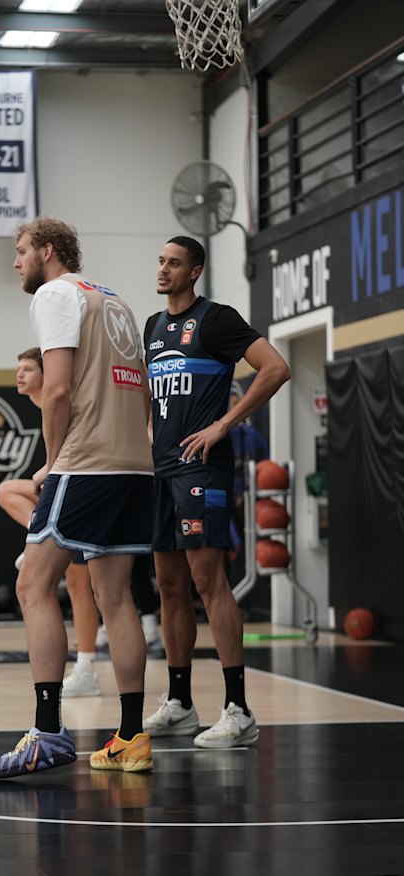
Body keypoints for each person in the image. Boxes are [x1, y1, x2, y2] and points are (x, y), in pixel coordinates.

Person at [0, 216, 154, 779]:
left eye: (21, 251)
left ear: (48, 252)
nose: (16, 262)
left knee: (31, 583)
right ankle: (130, 737)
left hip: (87, 462)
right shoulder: (115, 300)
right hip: (135, 465)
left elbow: (56, 387)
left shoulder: (56, 293)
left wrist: (53, 463)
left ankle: (49, 733)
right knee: (116, 597)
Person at [143, 236, 290, 749]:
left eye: (174, 263)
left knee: (209, 584)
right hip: (162, 472)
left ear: (196, 271)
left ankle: (239, 710)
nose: (163, 270)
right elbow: (151, 398)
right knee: (168, 586)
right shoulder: (153, 327)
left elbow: (276, 368)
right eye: (160, 261)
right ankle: (180, 703)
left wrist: (224, 423)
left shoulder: (217, 320)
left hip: (201, 470)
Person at [0, 347, 102, 698]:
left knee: (84, 587)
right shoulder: (43, 405)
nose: (20, 375)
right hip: (66, 486)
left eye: (27, 368)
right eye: (18, 369)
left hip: (86, 485)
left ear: (48, 372)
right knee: (9, 490)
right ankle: (38, 537)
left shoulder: (64, 400)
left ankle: (87, 668)